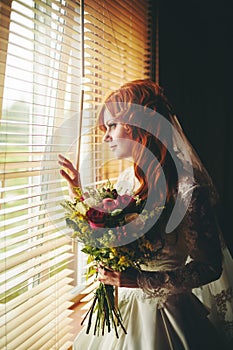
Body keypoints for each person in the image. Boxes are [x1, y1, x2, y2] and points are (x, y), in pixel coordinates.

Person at [58, 79, 232, 349]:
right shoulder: (127, 182)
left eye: (112, 126)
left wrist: (139, 280)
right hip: (123, 313)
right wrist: (78, 195)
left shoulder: (187, 190)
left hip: (166, 318)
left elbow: (210, 266)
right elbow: (106, 234)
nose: (106, 137)